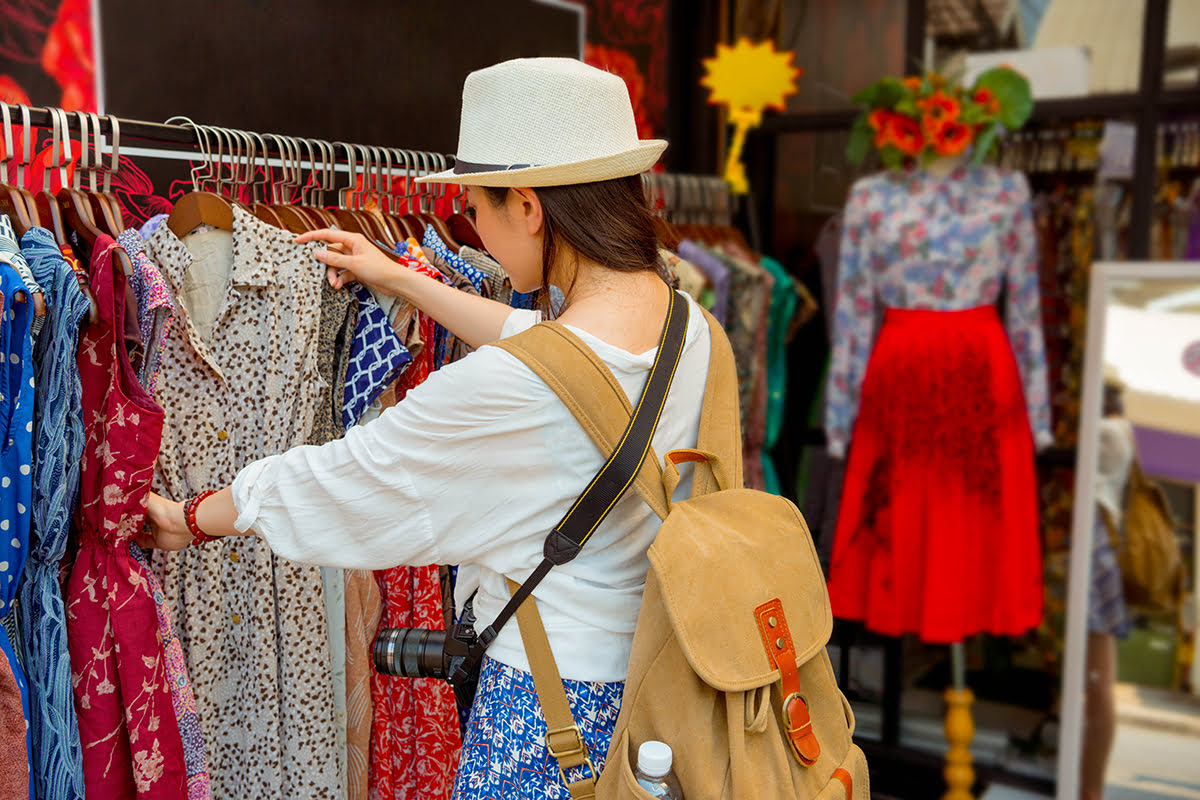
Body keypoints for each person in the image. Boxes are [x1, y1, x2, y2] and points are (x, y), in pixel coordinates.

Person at [139, 57, 716, 798]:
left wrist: (198, 515)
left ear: (530, 208)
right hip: (657, 686)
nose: (471, 224)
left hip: (546, 717)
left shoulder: (514, 384)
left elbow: (354, 474)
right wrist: (404, 279)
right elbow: (540, 338)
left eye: (476, 206)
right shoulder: (684, 325)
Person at [1080, 366, 1135, 800]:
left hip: (1094, 550)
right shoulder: (1120, 430)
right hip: (1097, 549)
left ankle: (1090, 787)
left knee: (1098, 684)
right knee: (1097, 683)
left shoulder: (1109, 432)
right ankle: (1087, 785)